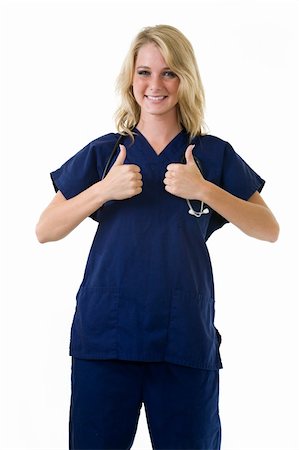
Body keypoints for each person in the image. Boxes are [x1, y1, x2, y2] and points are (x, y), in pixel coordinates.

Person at [35, 24, 279, 450]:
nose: (155, 84)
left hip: (183, 340)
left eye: (169, 73)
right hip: (106, 341)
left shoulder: (211, 155)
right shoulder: (106, 152)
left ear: (185, 79)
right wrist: (102, 191)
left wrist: (204, 189)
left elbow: (268, 228)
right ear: (131, 80)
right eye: (144, 71)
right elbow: (45, 229)